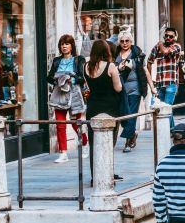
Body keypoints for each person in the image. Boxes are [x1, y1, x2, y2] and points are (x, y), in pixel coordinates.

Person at [84, 40, 123, 181]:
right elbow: (118, 88)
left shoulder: (86, 67)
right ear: (106, 51)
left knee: (93, 143)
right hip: (110, 107)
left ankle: (95, 176)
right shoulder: (111, 66)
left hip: (93, 107)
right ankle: (107, 174)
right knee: (108, 143)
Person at [47, 34, 89, 163]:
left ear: (72, 46)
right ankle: (63, 153)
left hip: (74, 92)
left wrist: (71, 79)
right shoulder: (56, 61)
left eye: (67, 44)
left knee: (77, 124)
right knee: (60, 124)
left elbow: (83, 78)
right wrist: (58, 80)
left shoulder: (79, 59)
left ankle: (85, 144)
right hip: (60, 93)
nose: (64, 46)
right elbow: (49, 77)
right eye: (62, 44)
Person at [114, 32, 149, 153]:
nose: (124, 43)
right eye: (122, 41)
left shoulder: (136, 53)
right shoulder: (115, 53)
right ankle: (132, 133)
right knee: (123, 114)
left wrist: (152, 86)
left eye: (127, 41)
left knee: (132, 114)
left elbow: (145, 70)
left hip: (135, 88)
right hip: (120, 88)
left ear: (131, 41)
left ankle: (128, 143)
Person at [147, 26, 183, 128]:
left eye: (170, 36)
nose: (167, 38)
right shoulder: (157, 47)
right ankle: (172, 130)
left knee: (167, 109)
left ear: (175, 38)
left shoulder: (177, 46)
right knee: (159, 109)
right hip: (159, 84)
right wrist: (151, 80)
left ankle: (171, 130)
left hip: (170, 84)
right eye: (166, 35)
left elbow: (166, 52)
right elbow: (149, 62)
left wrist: (160, 44)